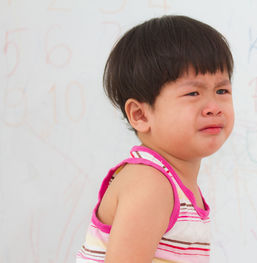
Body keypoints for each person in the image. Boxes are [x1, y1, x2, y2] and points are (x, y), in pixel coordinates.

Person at [76, 15, 234, 262]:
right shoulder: (150, 184)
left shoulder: (172, 183)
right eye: (193, 92)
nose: (213, 106)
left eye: (222, 90)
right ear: (140, 115)